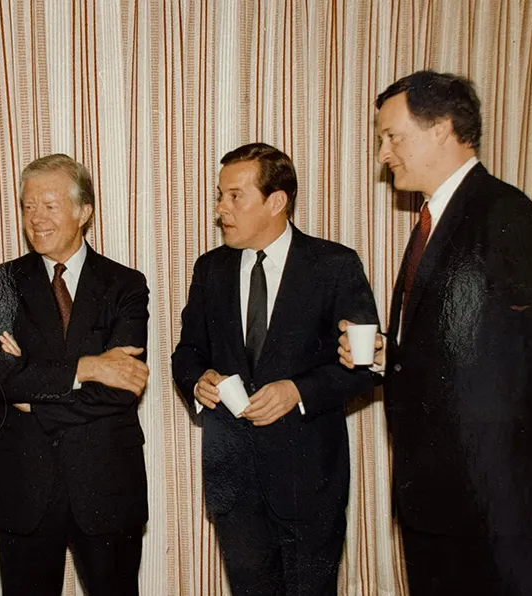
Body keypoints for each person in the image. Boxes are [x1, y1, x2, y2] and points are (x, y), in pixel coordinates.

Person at [338, 70, 532, 595]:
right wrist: (387, 356)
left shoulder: (505, 214)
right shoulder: (435, 216)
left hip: (489, 502)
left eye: (392, 136)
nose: (383, 153)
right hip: (438, 493)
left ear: (443, 129)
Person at [171, 142, 378, 596]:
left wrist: (297, 392)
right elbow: (186, 354)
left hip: (309, 482)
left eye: (234, 196)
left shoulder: (334, 265)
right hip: (234, 482)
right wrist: (197, 380)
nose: (221, 208)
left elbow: (366, 365)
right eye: (220, 196)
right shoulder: (211, 269)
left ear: (276, 201)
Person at [0, 154, 150, 596]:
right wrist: (89, 367)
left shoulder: (125, 285)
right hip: (25, 486)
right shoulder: (2, 283)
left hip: (106, 485)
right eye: (28, 206)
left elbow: (121, 391)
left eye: (49, 206)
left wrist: (32, 396)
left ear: (83, 212)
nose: (36, 219)